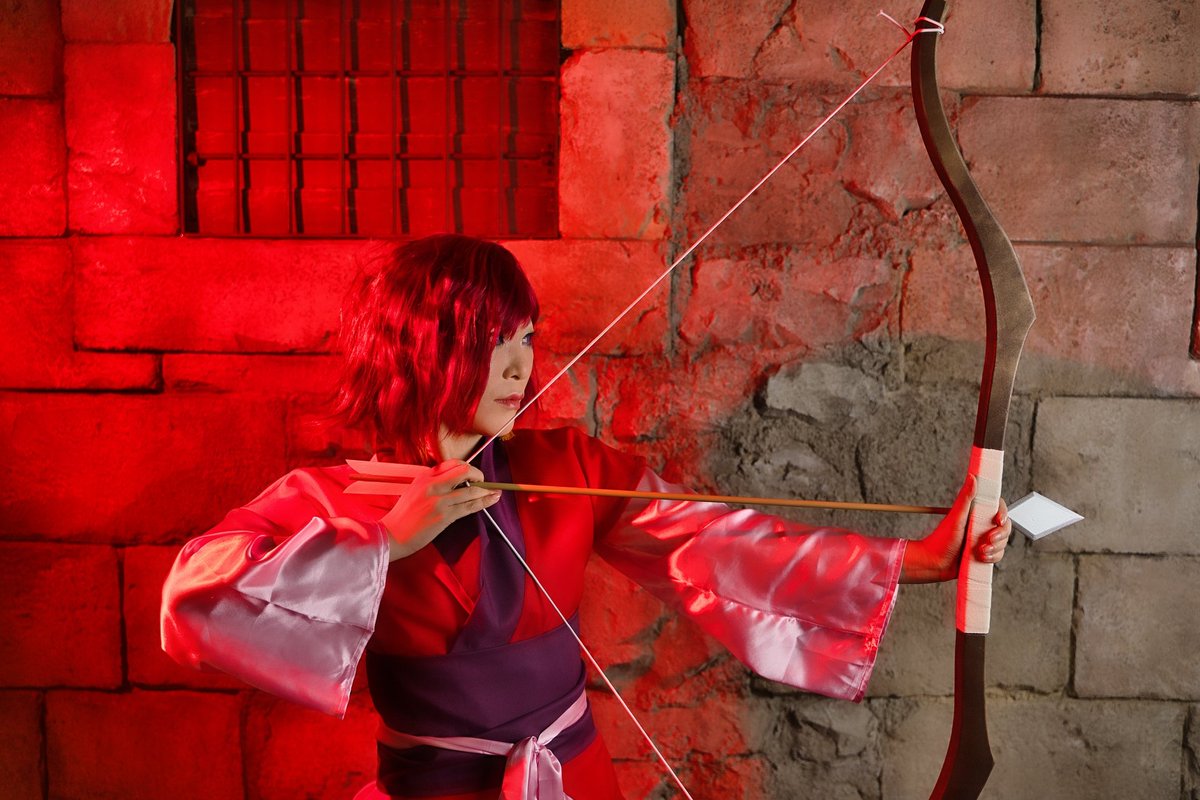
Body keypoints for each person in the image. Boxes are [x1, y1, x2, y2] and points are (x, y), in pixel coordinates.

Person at [160, 234, 1012, 800]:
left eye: (526, 339)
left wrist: (926, 559)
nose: (519, 368)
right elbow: (191, 599)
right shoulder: (333, 499)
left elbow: (714, 543)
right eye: (493, 341)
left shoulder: (564, 468)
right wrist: (384, 540)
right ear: (422, 347)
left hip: (570, 782)